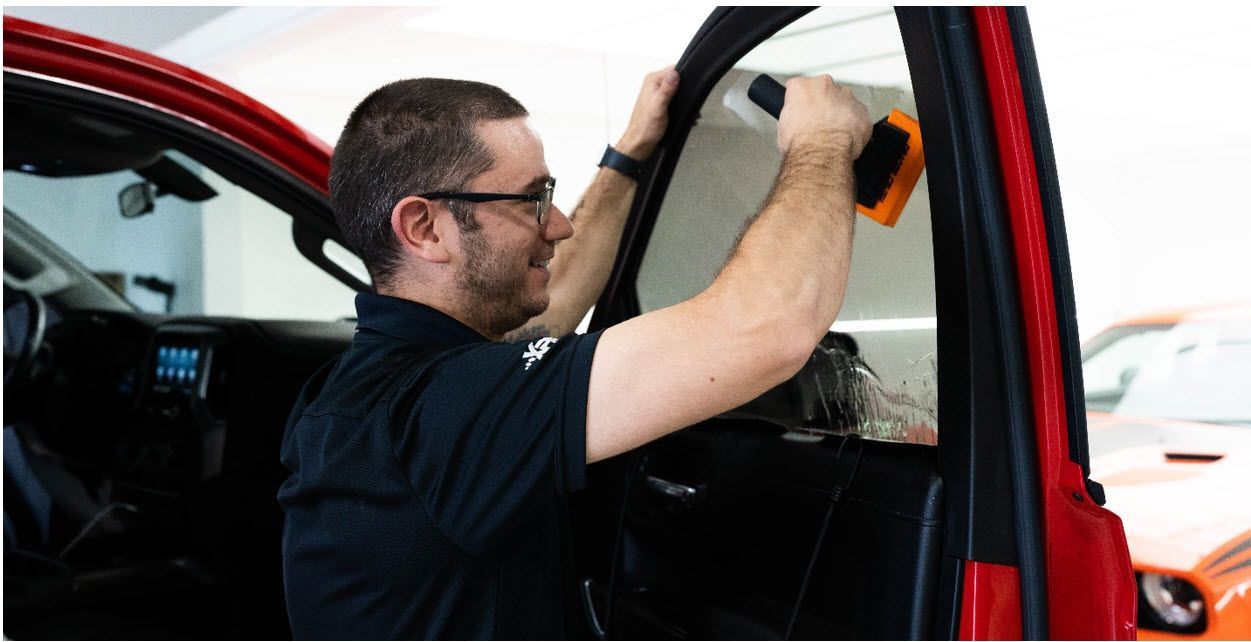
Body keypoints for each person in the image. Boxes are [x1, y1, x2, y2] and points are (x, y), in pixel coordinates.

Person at [278, 66, 871, 639]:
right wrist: (821, 141)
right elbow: (764, 330)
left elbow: (553, 301)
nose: (557, 226)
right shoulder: (441, 414)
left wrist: (630, 154)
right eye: (531, 201)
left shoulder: (381, 391)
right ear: (425, 228)